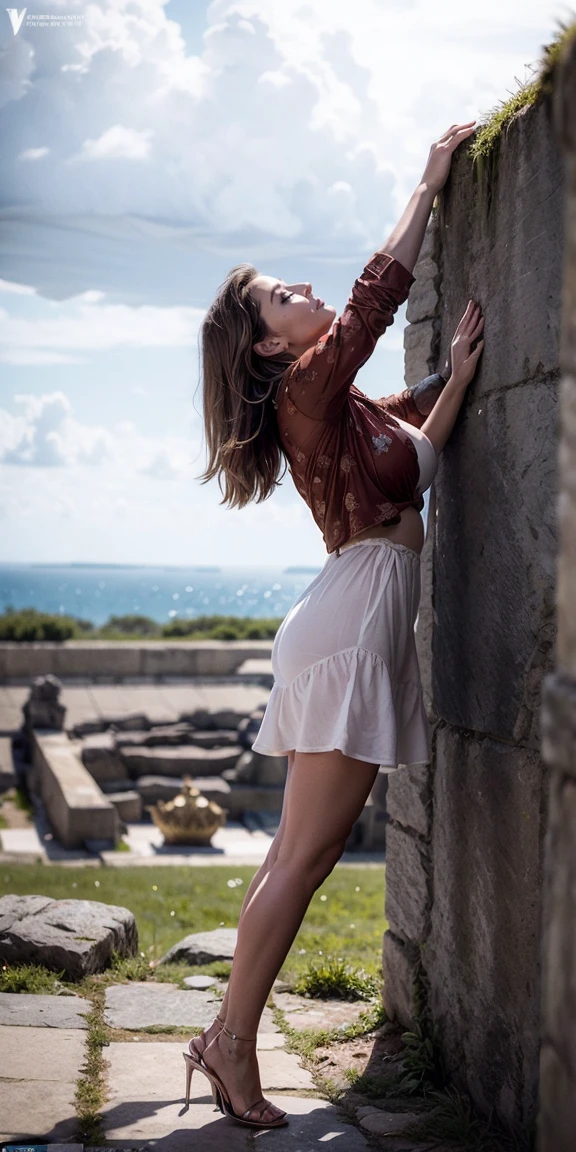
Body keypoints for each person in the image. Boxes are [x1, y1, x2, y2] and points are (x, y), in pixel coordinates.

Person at [185, 120, 485, 1129]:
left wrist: (457, 375)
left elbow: (411, 447)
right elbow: (374, 297)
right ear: (272, 344)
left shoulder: (341, 406)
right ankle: (229, 1045)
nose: (303, 292)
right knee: (304, 859)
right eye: (283, 297)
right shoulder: (307, 391)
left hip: (351, 615)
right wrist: (428, 182)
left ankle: (222, 1037)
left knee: (292, 853)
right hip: (353, 626)